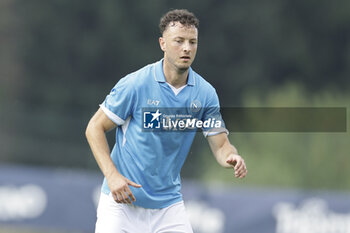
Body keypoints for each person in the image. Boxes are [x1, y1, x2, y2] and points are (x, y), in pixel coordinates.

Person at [85, 9, 247, 233]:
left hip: (168, 207)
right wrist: (112, 176)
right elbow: (94, 128)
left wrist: (231, 156)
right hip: (121, 205)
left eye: (192, 42)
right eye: (179, 41)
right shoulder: (136, 84)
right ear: (162, 43)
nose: (187, 48)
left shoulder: (205, 94)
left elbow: (220, 145)